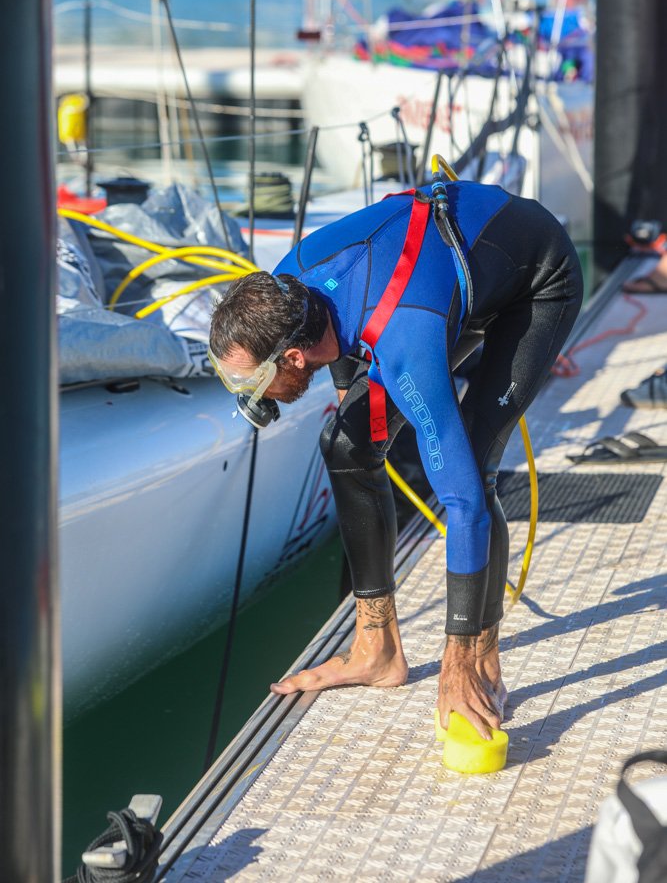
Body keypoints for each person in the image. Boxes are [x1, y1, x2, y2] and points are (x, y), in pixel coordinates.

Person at [208, 180, 583, 740]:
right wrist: (351, 405)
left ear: (292, 358)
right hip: (435, 285)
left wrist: (454, 659)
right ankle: (376, 648)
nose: (254, 397)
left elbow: (463, 505)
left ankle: (479, 661)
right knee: (347, 445)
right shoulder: (285, 288)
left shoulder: (404, 344)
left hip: (533, 280)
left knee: (471, 466)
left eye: (253, 383)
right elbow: (339, 336)